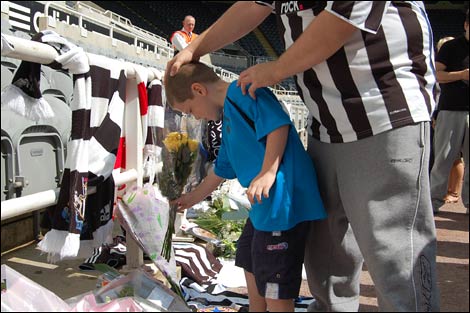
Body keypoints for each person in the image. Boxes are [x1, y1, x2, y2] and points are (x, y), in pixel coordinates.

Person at [166, 1, 440, 311]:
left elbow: (348, 14)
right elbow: (254, 5)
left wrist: (279, 69)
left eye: (190, 110)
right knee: (327, 256)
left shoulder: (241, 98)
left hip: (382, 113)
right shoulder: (229, 110)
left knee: (393, 254)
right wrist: (195, 48)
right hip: (325, 124)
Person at [165, 61, 327, 312]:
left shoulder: (246, 91)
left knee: (275, 278)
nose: (195, 116)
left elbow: (278, 125)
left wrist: (267, 172)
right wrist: (192, 198)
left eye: (190, 109)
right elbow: (222, 168)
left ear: (198, 90)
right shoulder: (228, 113)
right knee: (248, 257)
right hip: (265, 207)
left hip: (282, 204)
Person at [430, 10, 469, 214]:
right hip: (451, 108)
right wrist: (462, 74)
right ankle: (433, 202)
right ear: (465, 25)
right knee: (443, 159)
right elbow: (436, 75)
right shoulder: (450, 47)